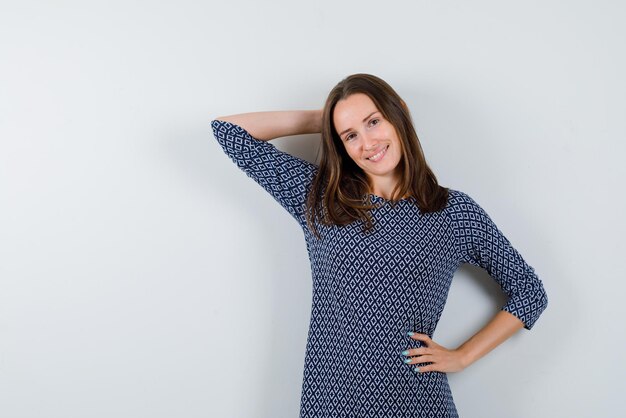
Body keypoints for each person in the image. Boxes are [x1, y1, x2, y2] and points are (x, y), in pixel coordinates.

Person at [210, 73, 548, 418]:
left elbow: (530, 292)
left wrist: (462, 356)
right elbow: (228, 132)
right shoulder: (320, 197)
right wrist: (326, 119)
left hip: (418, 402)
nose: (367, 143)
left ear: (398, 113)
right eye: (350, 135)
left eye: (373, 122)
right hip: (332, 402)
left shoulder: (453, 213)